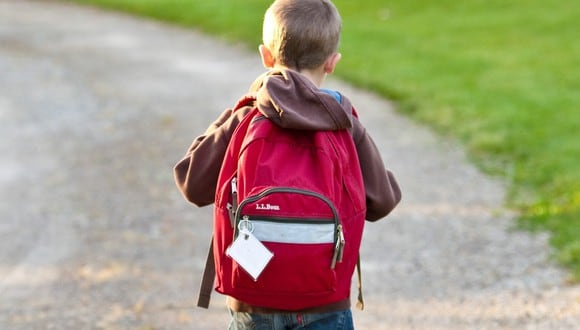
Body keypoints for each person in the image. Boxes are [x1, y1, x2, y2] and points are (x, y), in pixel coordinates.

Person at [174, 0, 401, 328]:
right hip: (325, 298)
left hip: (253, 297)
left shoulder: (247, 116)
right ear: (331, 62)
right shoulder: (344, 122)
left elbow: (191, 183)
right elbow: (383, 202)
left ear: (265, 57)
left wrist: (235, 112)